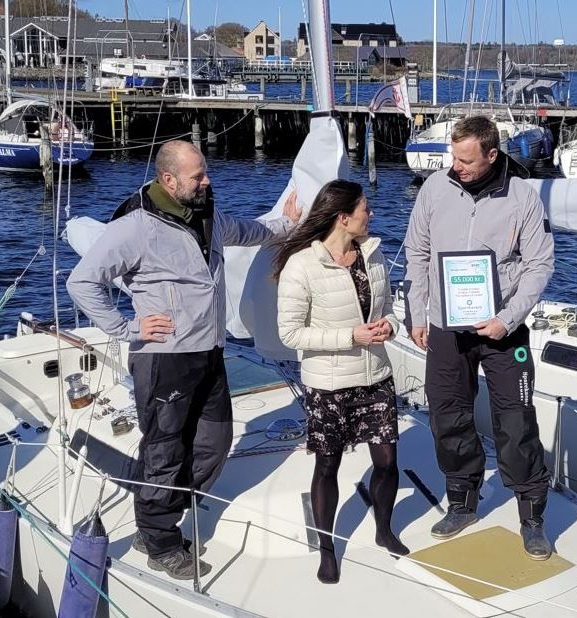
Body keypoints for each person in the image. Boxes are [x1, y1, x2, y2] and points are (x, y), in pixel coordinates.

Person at [67, 140, 301, 580]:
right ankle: (158, 542)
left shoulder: (206, 214)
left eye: (205, 172)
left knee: (215, 441)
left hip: (209, 352)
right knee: (165, 451)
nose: (207, 181)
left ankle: (158, 515)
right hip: (164, 358)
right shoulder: (136, 227)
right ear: (169, 181)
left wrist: (287, 224)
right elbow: (82, 282)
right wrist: (126, 328)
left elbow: (247, 232)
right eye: (198, 176)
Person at [402, 116, 556, 560]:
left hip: (503, 329)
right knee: (448, 415)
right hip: (445, 326)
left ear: (492, 154)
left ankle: (532, 518)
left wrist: (508, 318)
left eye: (466, 160)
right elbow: (417, 252)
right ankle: (462, 503)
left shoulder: (522, 197)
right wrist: (416, 312)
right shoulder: (435, 189)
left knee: (516, 423)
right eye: (454, 157)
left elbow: (540, 265)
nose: (457, 166)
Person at [274, 179, 409, 584]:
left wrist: (390, 326)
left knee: (387, 461)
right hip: (328, 385)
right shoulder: (302, 265)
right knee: (327, 465)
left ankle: (384, 529)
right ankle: (327, 548)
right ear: (343, 217)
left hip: (376, 376)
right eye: (365, 208)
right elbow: (290, 333)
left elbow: (388, 308)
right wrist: (350, 337)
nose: (372, 214)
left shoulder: (373, 253)